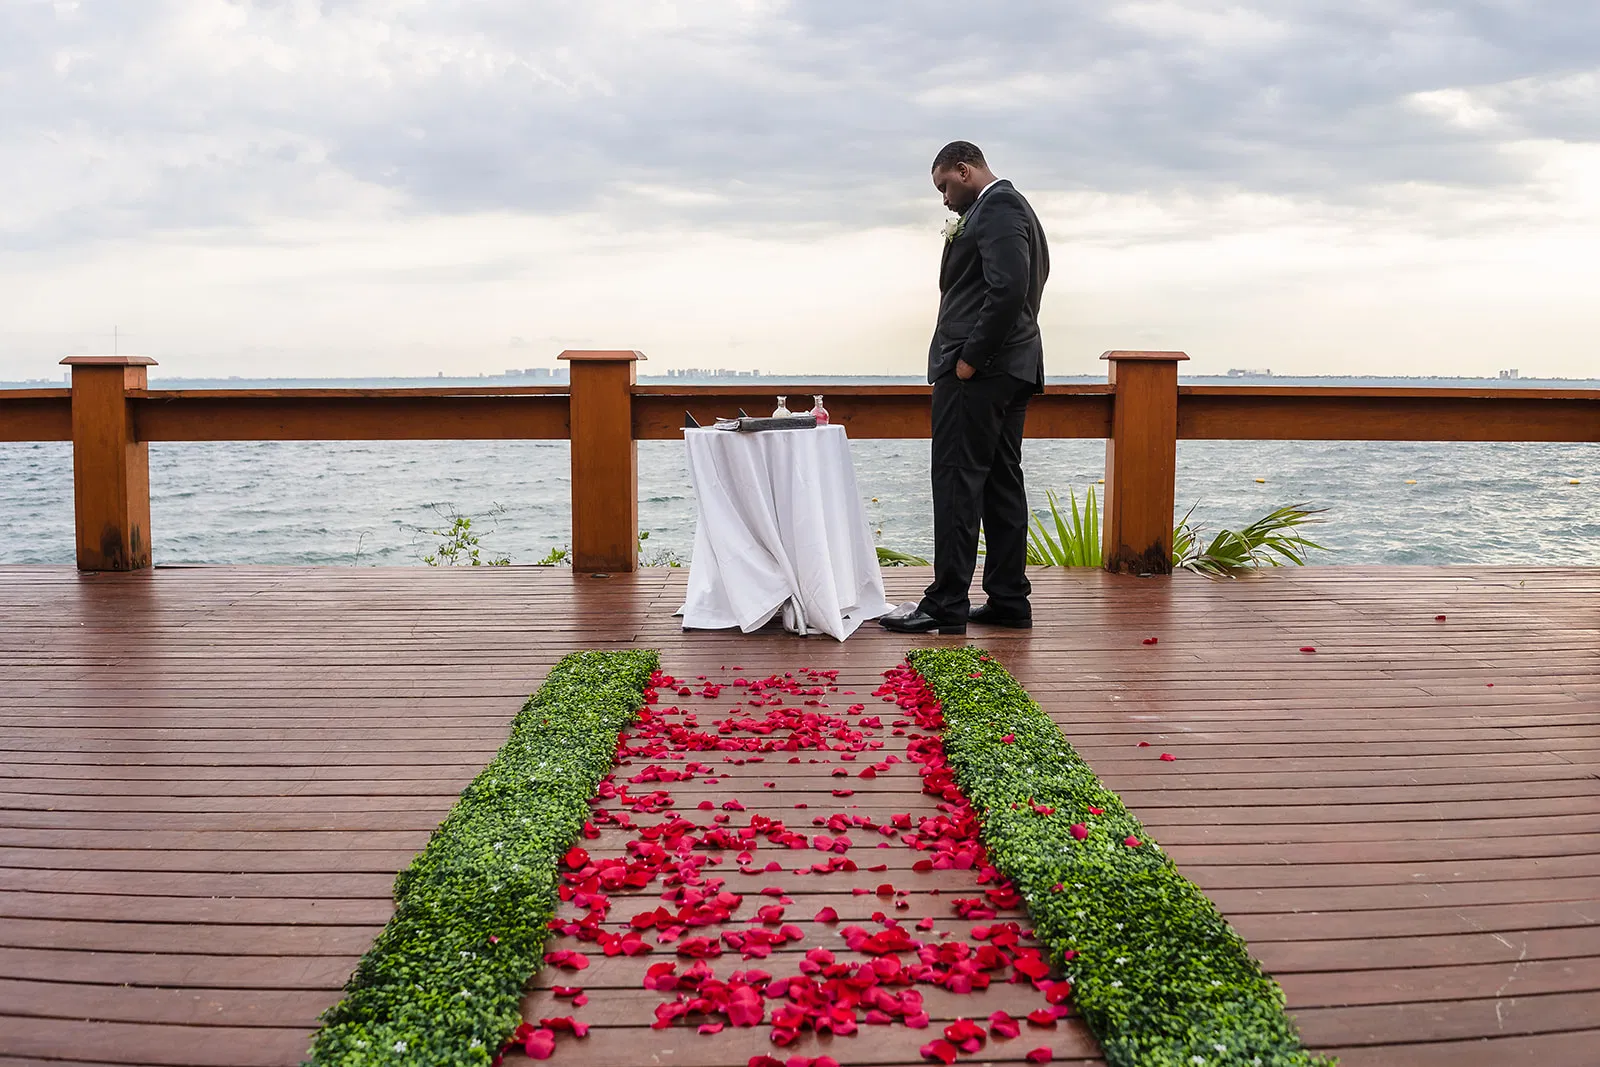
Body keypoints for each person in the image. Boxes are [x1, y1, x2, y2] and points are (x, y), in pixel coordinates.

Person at [881, 141, 1049, 635]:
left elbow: (1010, 287)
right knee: (1001, 483)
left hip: (980, 371)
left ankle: (945, 603)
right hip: (1014, 368)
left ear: (964, 168)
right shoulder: (1016, 208)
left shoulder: (996, 206)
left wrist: (969, 361)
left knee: (956, 482)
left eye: (945, 186)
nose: (945, 200)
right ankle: (1008, 600)